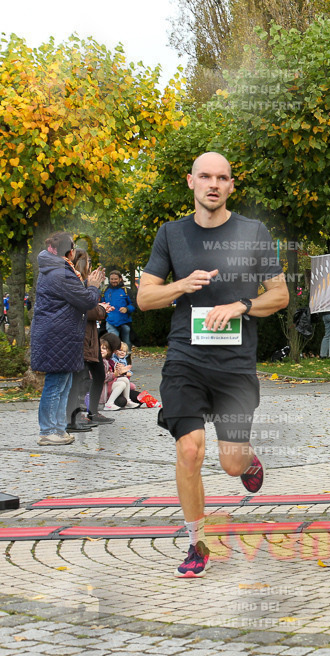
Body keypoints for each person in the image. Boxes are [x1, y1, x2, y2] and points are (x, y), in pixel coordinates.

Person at [137, 152, 289, 578]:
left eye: (222, 178)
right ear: (191, 182)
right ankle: (196, 542)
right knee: (189, 450)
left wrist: (242, 304)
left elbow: (280, 295)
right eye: (205, 176)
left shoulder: (252, 232)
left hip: (235, 365)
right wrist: (182, 284)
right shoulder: (171, 234)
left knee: (231, 463)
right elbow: (145, 297)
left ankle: (248, 461)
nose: (213, 184)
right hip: (185, 358)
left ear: (231, 185)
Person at [31, 232, 106, 446]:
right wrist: (92, 285)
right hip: (57, 336)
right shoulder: (59, 273)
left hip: (62, 336)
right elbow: (86, 300)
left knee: (63, 383)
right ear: (69, 251)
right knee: (55, 385)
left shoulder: (58, 269)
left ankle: (59, 429)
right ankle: (47, 431)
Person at [66, 248, 115, 433]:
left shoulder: (85, 282)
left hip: (91, 336)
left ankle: (91, 412)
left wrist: (100, 306)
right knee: (80, 377)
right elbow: (88, 309)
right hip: (82, 337)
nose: (91, 265)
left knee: (98, 373)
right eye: (88, 262)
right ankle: (75, 417)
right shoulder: (78, 282)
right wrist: (101, 309)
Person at [102, 269, 135, 354]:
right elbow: (102, 304)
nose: (113, 281)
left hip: (125, 322)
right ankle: (114, 364)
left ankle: (126, 365)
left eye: (115, 279)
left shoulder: (126, 290)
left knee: (126, 347)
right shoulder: (105, 291)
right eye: (112, 279)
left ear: (120, 279)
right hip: (111, 321)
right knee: (113, 344)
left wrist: (127, 309)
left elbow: (134, 304)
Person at [102, 337, 137, 411]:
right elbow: (103, 377)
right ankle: (109, 404)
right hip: (104, 388)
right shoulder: (104, 361)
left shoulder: (109, 361)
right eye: (119, 350)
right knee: (122, 385)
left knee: (127, 382)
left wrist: (123, 372)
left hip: (110, 383)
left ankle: (128, 400)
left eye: (104, 348)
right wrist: (116, 374)